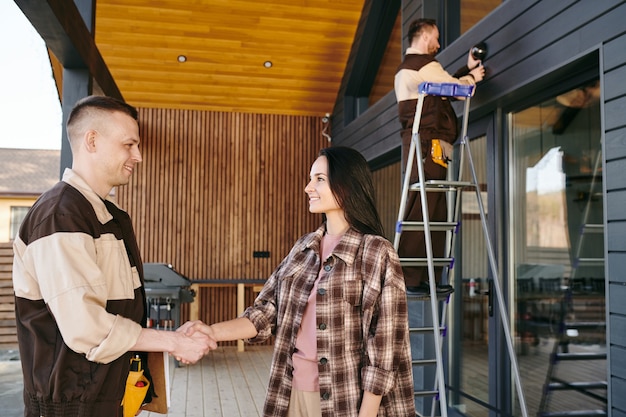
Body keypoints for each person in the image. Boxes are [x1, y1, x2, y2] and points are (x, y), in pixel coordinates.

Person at [12, 95, 216, 417]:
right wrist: (173, 342)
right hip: (71, 406)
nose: (138, 155)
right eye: (128, 145)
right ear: (92, 140)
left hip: (107, 397)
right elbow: (86, 328)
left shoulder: (107, 215)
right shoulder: (59, 216)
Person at [181, 146, 415, 417]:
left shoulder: (377, 252)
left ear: (347, 185)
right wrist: (211, 332)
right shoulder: (303, 247)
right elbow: (265, 313)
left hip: (348, 401)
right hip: (290, 393)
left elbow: (386, 345)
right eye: (310, 178)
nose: (308, 187)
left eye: (319, 179)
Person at [394, 18, 485, 296]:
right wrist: (472, 78)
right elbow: (458, 91)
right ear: (424, 37)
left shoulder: (412, 68)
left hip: (424, 144)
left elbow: (441, 89)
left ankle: (424, 277)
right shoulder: (425, 65)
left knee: (431, 209)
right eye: (435, 37)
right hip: (429, 144)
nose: (438, 44)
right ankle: (413, 276)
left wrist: (464, 71)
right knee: (426, 209)